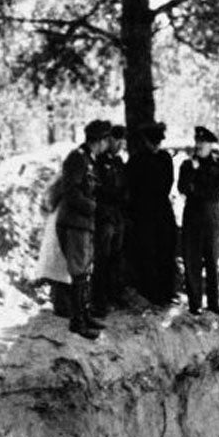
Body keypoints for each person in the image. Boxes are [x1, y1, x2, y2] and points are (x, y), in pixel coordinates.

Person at [56, 118, 111, 339]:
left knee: (84, 271)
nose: (107, 144)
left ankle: (84, 315)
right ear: (99, 141)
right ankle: (77, 322)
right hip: (75, 223)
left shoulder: (88, 159)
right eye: (106, 140)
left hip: (83, 224)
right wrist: (93, 208)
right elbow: (71, 192)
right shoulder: (77, 159)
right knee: (79, 272)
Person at [126, 121, 177, 306]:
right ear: (145, 141)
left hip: (160, 209)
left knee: (165, 249)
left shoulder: (165, 158)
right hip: (143, 211)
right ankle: (150, 293)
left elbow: (168, 183)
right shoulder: (137, 160)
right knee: (147, 251)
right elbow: (132, 187)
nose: (155, 145)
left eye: (158, 142)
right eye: (152, 141)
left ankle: (166, 292)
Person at [178, 125, 219, 315]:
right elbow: (182, 187)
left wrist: (196, 188)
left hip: (211, 219)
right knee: (192, 261)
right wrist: (194, 172)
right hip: (192, 218)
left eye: (203, 143)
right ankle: (195, 303)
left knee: (212, 261)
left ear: (210, 145)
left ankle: (214, 302)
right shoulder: (187, 165)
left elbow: (217, 193)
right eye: (197, 142)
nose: (199, 146)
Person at [94, 123, 129, 316]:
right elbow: (99, 189)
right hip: (104, 216)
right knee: (102, 258)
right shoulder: (98, 162)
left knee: (116, 256)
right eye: (118, 140)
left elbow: (125, 188)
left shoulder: (118, 163)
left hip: (117, 215)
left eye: (122, 140)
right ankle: (99, 300)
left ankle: (115, 294)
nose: (121, 144)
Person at [34, 174, 71, 317]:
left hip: (59, 237)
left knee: (60, 275)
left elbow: (43, 208)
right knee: (64, 275)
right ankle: (63, 307)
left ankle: (60, 304)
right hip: (65, 237)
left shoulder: (57, 192)